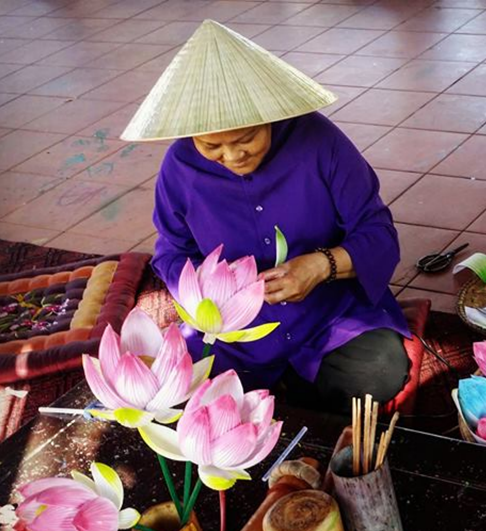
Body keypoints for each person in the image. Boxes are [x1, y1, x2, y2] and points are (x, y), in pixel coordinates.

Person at [121, 20, 410, 412]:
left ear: (269, 115)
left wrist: (320, 266)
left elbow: (378, 234)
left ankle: (300, 386)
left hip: (327, 315)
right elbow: (172, 251)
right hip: (233, 330)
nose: (233, 156)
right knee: (178, 392)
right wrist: (209, 292)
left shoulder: (320, 143)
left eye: (246, 139)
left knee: (376, 374)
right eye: (212, 146)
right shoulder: (179, 167)